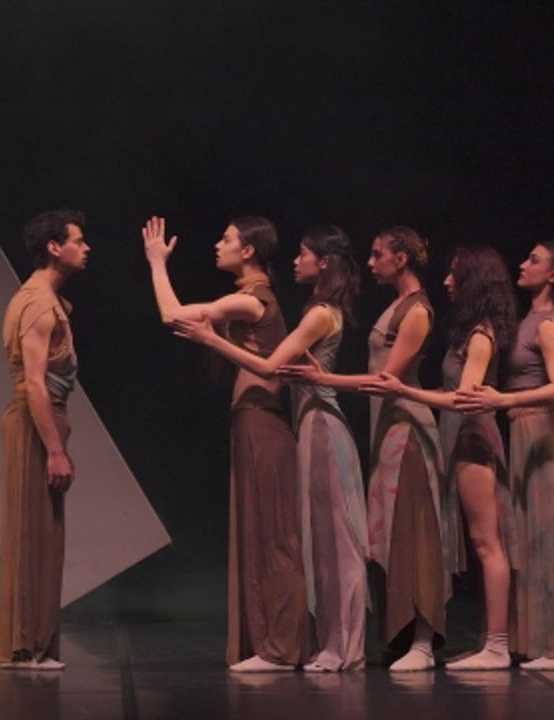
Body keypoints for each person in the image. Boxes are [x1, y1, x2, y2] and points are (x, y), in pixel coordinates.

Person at [172, 225, 368, 672]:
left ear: (323, 262)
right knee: (321, 538)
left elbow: (268, 366)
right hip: (309, 421)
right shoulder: (317, 310)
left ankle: (343, 647)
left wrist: (211, 339)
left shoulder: (319, 313)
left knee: (335, 539)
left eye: (303, 254)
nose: (294, 261)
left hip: (321, 423)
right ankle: (333, 645)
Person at [279, 226, 447, 672]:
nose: (370, 263)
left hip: (409, 428)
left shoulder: (417, 310)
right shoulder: (396, 306)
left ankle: (424, 642)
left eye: (378, 255)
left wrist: (323, 380)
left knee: (415, 530)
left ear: (401, 259)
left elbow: (385, 380)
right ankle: (401, 637)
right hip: (388, 429)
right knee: (390, 535)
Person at [143, 215, 307, 672]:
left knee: (274, 536)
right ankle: (268, 644)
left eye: (227, 239)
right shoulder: (250, 298)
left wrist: (157, 263)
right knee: (259, 534)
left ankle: (281, 648)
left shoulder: (252, 300)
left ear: (248, 250)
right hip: (252, 422)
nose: (219, 245)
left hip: (263, 425)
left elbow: (172, 315)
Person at [362, 246, 519, 670]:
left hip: (471, 436)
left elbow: (464, 398)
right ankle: (490, 642)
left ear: (475, 282)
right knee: (476, 539)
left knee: (487, 541)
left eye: (455, 275)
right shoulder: (469, 333)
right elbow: (452, 392)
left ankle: (497, 646)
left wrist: (405, 390)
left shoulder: (481, 335)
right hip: (456, 435)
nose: (447, 282)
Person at [456, 241, 554, 670]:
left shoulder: (548, 323)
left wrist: (504, 401)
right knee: (531, 539)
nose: (522, 264)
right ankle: (538, 642)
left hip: (543, 432)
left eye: (534, 260)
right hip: (521, 432)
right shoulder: (525, 319)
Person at [0, 209, 90, 671]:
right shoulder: (37, 304)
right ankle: (25, 645)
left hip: (46, 417)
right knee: (33, 533)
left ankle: (33, 644)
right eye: (78, 240)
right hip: (38, 421)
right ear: (55, 247)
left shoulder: (47, 299)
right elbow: (34, 383)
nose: (86, 248)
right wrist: (55, 450)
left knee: (44, 533)